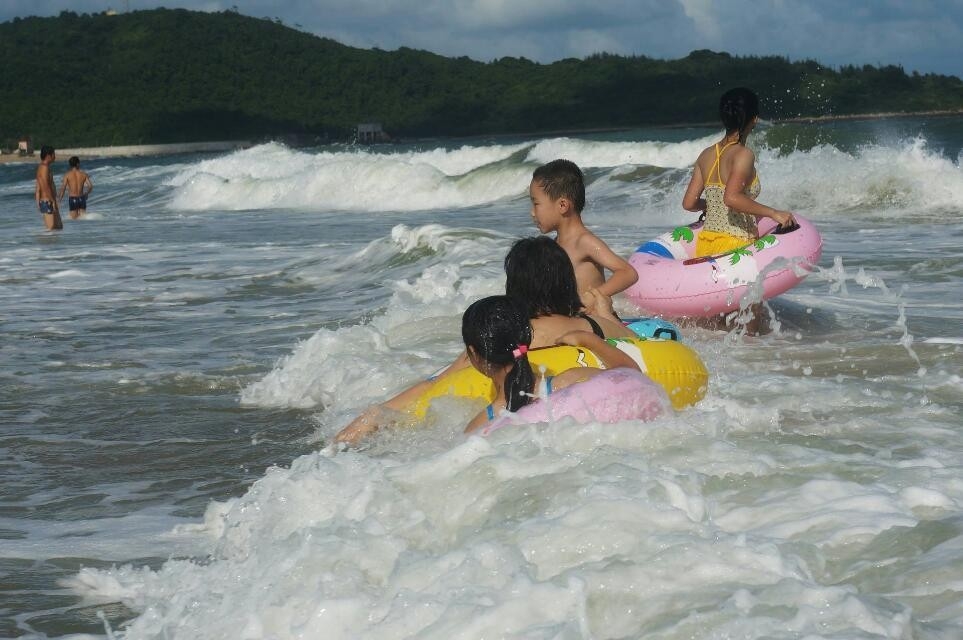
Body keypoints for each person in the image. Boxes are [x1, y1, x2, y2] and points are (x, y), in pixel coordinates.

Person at [333, 236, 635, 445]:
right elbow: (645, 349)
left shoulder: (506, 332)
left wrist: (378, 413)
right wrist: (608, 315)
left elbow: (437, 384)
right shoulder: (595, 326)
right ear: (567, 282)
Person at [461, 295, 641, 433]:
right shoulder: (574, 380)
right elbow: (633, 379)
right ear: (527, 339)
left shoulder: (479, 427)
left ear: (474, 354)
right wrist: (591, 340)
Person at [681, 87, 796, 258]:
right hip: (735, 246)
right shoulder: (743, 154)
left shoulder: (706, 154)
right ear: (755, 119)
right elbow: (731, 198)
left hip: (706, 244)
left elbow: (689, 203)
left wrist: (713, 205)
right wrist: (774, 213)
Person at [529, 159, 638, 315]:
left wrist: (591, 298)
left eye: (536, 204)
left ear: (562, 205)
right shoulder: (554, 246)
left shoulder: (584, 241)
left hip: (597, 322)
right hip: (573, 322)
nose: (532, 212)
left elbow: (627, 273)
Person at [35, 145, 63, 231]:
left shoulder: (45, 167)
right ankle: (44, 243)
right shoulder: (44, 168)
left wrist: (37, 200)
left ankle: (53, 244)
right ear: (48, 155)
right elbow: (45, 186)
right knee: (51, 229)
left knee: (58, 227)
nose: (55, 156)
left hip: (48, 201)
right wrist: (53, 201)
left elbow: (38, 187)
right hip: (47, 201)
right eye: (54, 154)